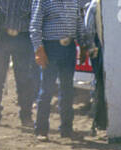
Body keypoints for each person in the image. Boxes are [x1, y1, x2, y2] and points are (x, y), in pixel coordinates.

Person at [0, 0, 39, 131]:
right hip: (1, 36)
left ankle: (26, 116)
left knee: (24, 79)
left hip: (23, 38)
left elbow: (37, 15)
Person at [30, 0, 84, 141]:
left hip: (69, 48)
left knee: (67, 90)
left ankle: (66, 129)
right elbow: (35, 26)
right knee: (47, 90)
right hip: (50, 48)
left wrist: (84, 45)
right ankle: (41, 129)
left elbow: (79, 24)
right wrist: (38, 49)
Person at [80, 0, 107, 135]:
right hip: (100, 47)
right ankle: (99, 120)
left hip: (110, 47)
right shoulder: (96, 4)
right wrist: (91, 47)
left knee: (103, 83)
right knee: (100, 83)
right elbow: (88, 28)